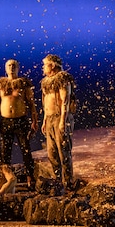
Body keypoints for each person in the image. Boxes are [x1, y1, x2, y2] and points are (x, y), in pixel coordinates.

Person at [0, 59, 39, 188]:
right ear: (5, 69)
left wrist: (35, 120)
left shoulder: (23, 84)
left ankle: (30, 177)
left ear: (18, 68)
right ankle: (6, 178)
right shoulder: (0, 85)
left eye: (14, 65)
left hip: (21, 120)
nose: (11, 67)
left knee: (26, 149)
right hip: (6, 121)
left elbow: (31, 103)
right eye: (9, 65)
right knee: (5, 151)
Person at [41, 54, 76, 190]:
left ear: (53, 65)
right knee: (52, 152)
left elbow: (65, 101)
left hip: (60, 118)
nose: (43, 67)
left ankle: (68, 183)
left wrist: (62, 121)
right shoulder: (46, 81)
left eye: (45, 64)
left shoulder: (62, 79)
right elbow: (45, 103)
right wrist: (44, 120)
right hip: (49, 119)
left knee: (63, 151)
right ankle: (57, 181)